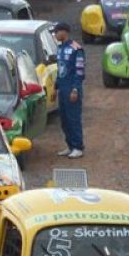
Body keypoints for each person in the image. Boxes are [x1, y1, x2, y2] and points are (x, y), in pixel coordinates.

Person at [52, 22, 85, 159]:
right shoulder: (60, 49)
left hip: (72, 89)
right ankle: (70, 145)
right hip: (62, 89)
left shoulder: (76, 49)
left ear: (64, 32)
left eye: (56, 32)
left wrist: (75, 89)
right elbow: (60, 70)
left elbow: (79, 71)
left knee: (73, 119)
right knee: (64, 120)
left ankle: (78, 147)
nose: (55, 35)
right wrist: (55, 87)